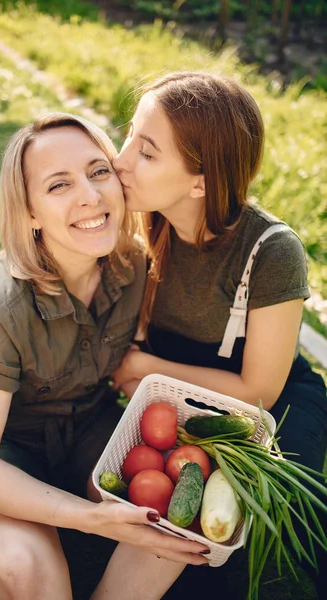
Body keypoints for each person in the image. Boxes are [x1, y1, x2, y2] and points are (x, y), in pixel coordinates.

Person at [0, 112, 210, 600]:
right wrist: (92, 519)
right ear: (29, 213)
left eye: (98, 171)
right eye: (59, 184)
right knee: (24, 570)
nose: (90, 195)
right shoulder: (1, 306)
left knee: (170, 528)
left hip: (93, 432)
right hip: (9, 459)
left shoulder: (134, 264)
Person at [112, 71, 327, 597]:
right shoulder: (146, 219)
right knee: (165, 529)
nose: (120, 161)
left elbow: (259, 392)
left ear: (201, 180)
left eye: (147, 151)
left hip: (265, 407)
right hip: (179, 403)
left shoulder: (272, 250)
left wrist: (144, 369)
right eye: (129, 137)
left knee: (273, 537)